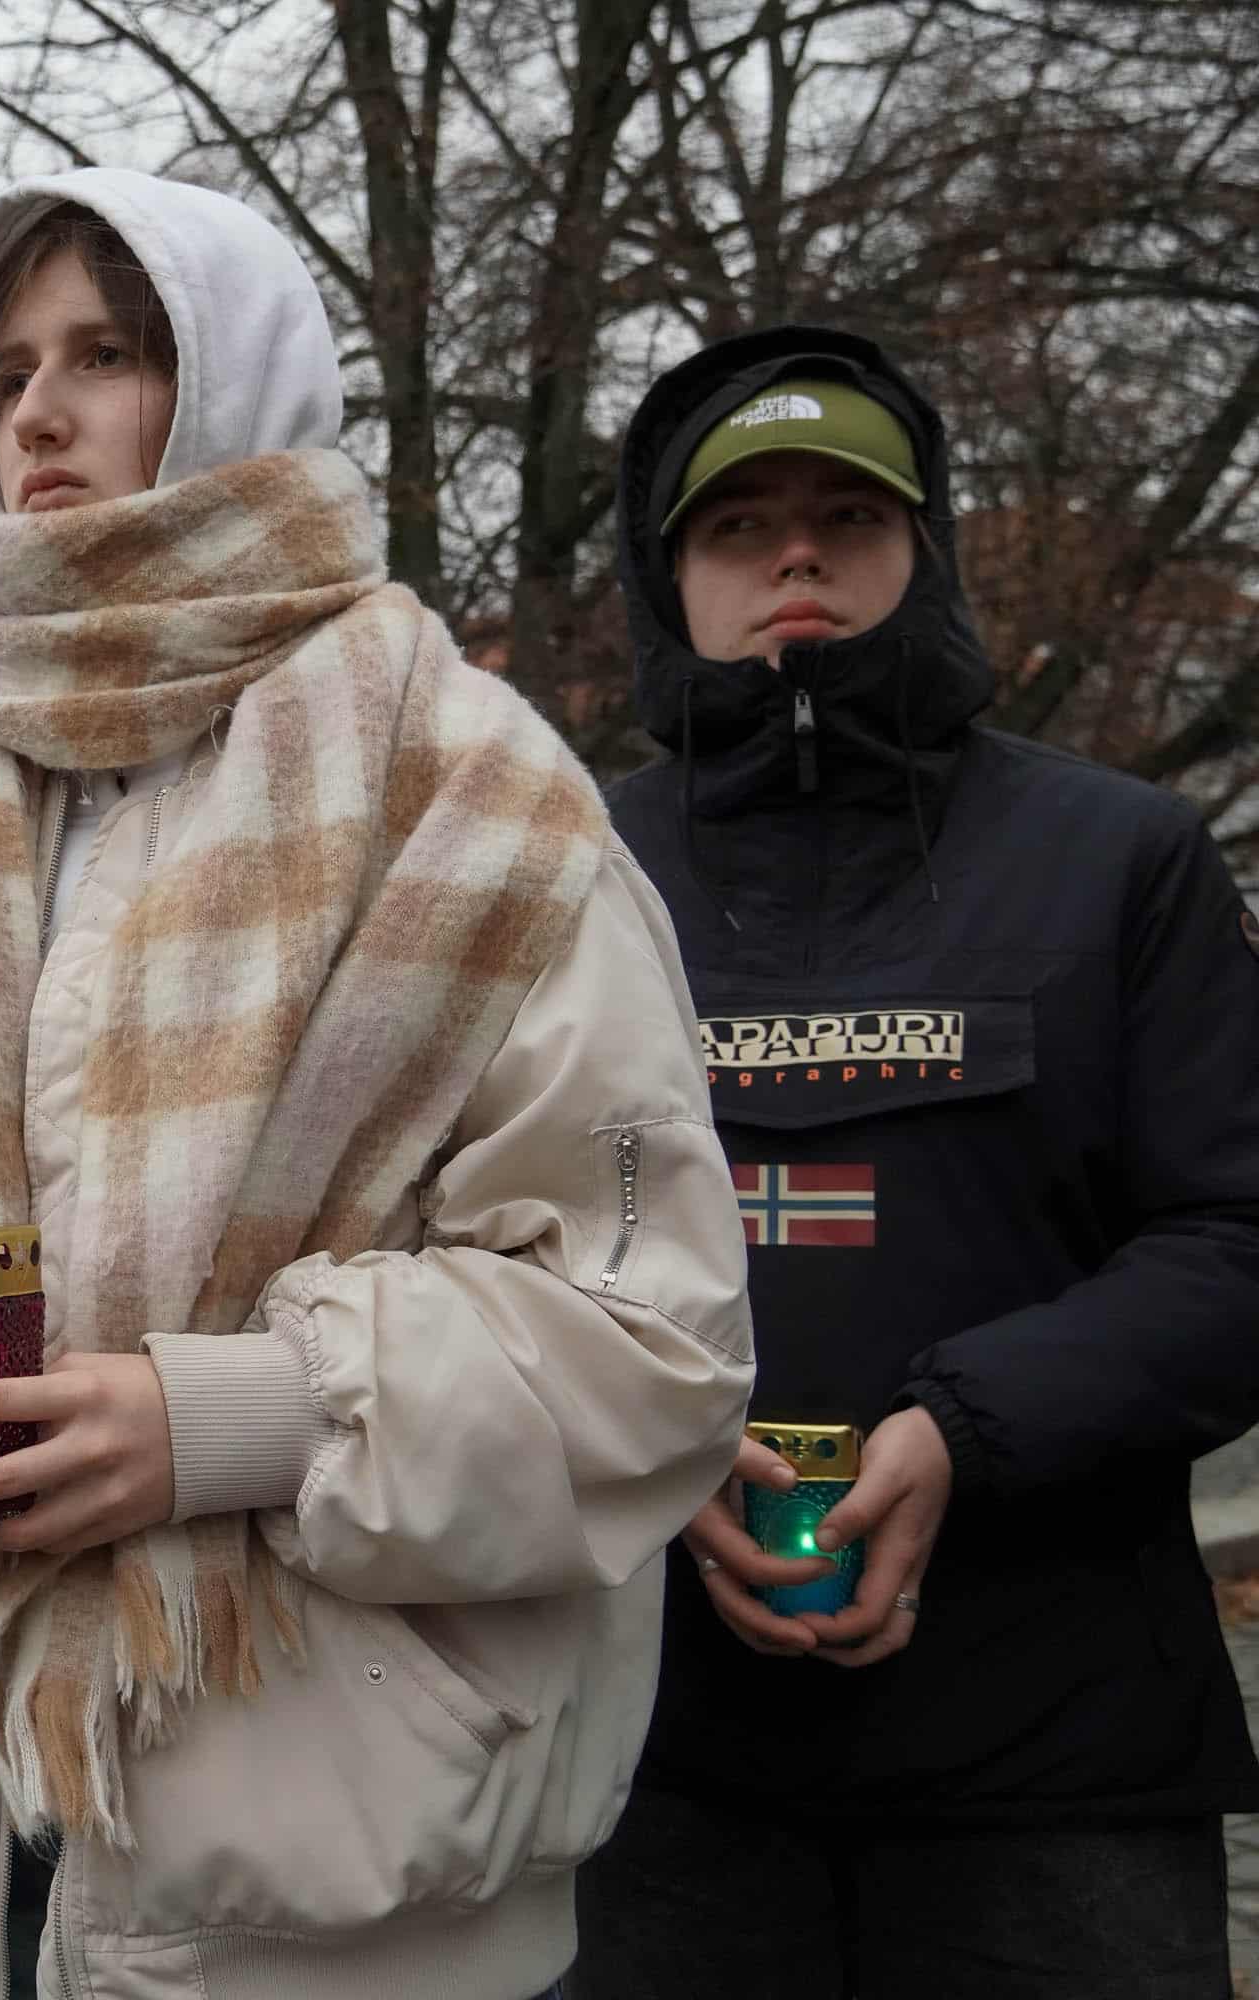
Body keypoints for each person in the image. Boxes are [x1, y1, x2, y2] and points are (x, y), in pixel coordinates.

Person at [0, 167, 758, 2000]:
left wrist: (231, 1421)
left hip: (338, 1908)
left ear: (239, 374)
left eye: (109, 350)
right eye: (5, 366)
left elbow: (647, 1349)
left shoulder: (476, 796)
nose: (36, 408)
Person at [570, 326, 1259, 1995]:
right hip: (650, 1774)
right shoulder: (563, 872)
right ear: (672, 583)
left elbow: (1238, 1238)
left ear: (921, 555)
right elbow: (459, 1250)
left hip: (1058, 1776)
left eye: (847, 517)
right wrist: (649, 1444)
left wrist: (960, 1428)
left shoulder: (1122, 859)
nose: (796, 553)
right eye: (740, 526)